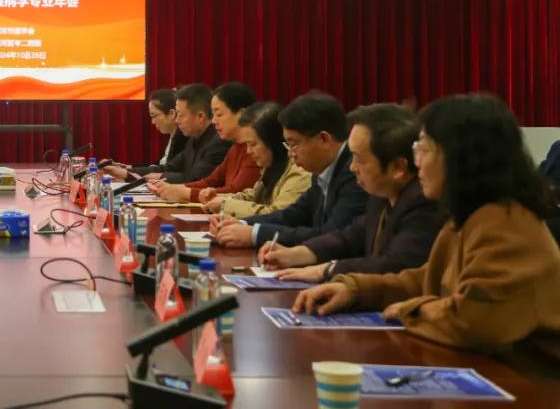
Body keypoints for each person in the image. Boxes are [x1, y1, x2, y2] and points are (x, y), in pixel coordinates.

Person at [294, 94, 560, 365]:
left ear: (461, 158)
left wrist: (408, 310)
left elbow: (472, 322)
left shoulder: (506, 224)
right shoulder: (470, 216)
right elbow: (427, 278)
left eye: (424, 148)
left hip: (525, 379)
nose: (417, 161)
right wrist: (355, 290)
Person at [263, 103, 445, 282]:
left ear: (398, 167)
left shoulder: (423, 202)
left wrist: (328, 270)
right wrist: (299, 253)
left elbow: (394, 265)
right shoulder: (382, 194)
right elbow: (351, 236)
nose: (352, 167)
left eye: (359, 159)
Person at [213, 92, 367, 249]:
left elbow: (330, 236)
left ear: (324, 139)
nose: (290, 153)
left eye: (294, 144)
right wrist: (243, 223)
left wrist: (255, 234)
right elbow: (294, 214)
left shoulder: (354, 174)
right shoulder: (321, 170)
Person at [149, 83, 260, 202]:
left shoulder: (255, 148)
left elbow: (236, 192)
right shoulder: (235, 147)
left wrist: (187, 193)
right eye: (213, 114)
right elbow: (210, 181)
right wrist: (174, 189)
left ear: (242, 114)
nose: (213, 121)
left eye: (219, 114)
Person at [206, 102, 311, 222]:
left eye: (253, 144)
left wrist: (225, 205)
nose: (248, 151)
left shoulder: (299, 171)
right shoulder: (272, 166)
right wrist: (218, 198)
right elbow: (253, 196)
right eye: (246, 144)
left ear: (273, 142)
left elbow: (277, 214)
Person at [132, 83, 231, 185]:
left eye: (181, 115)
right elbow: (170, 167)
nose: (177, 120)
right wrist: (130, 172)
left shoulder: (219, 142)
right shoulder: (193, 139)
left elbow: (197, 179)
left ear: (200, 116)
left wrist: (162, 176)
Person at [102, 88, 186, 180]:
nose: (153, 122)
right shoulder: (174, 135)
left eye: (154, 116)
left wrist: (127, 173)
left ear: (171, 114)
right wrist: (127, 168)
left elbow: (170, 170)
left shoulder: (184, 138)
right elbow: (161, 166)